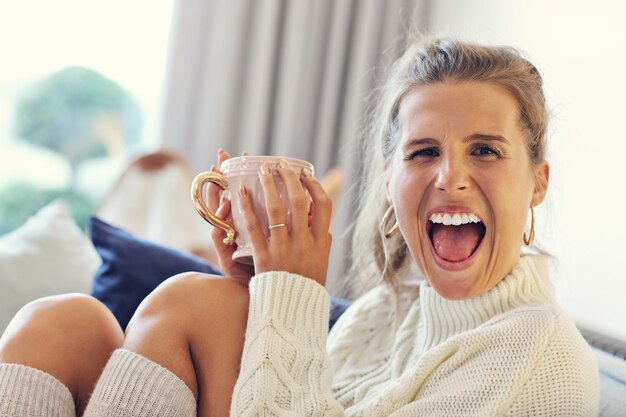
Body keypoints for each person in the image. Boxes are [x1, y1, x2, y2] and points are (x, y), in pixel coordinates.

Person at [0, 38, 599, 416]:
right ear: (391, 183)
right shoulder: (383, 315)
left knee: (191, 303)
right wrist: (257, 290)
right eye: (422, 153)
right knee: (60, 323)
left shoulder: (535, 354)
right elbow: (275, 393)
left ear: (538, 182)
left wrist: (293, 295)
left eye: (487, 151)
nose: (451, 177)